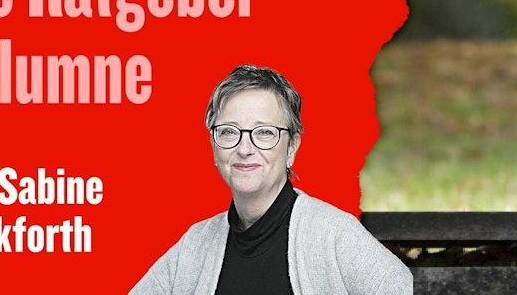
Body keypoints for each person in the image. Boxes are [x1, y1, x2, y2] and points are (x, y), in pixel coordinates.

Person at [132, 65, 411, 294]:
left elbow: (396, 284)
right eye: (229, 132)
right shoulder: (195, 245)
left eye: (264, 132)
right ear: (214, 144)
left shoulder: (333, 234)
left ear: (291, 147)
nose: (244, 148)